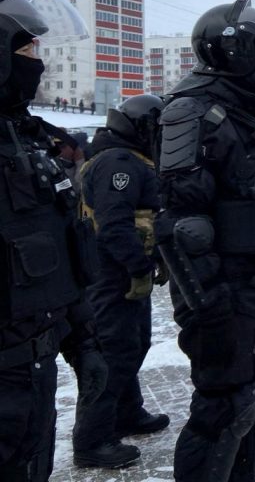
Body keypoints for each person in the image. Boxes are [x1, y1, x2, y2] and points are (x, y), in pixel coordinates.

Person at [154, 0, 255, 482]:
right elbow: (181, 224)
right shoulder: (193, 113)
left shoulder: (253, 116)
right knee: (225, 410)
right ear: (235, 51)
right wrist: (213, 305)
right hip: (225, 296)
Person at [0, 0, 108, 481]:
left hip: (34, 372)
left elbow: (60, 257)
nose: (36, 61)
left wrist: (81, 340)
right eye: (26, 47)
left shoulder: (29, 144)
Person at [73, 94, 169, 468]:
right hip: (113, 275)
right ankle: (93, 441)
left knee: (133, 344)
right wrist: (138, 265)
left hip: (122, 272)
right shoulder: (119, 162)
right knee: (113, 352)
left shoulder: (126, 157)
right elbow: (114, 225)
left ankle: (127, 413)